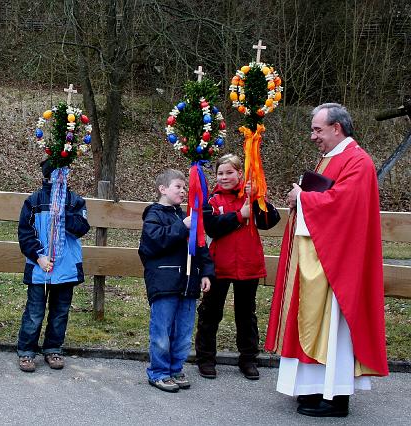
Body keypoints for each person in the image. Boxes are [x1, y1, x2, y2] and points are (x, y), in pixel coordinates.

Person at [265, 103, 389, 417]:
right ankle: (314, 388)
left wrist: (302, 199)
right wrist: (302, 198)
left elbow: (344, 205)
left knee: (335, 328)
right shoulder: (329, 158)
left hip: (339, 263)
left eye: (318, 130)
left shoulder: (357, 161)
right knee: (316, 324)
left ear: (337, 128)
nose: (312, 136)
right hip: (320, 258)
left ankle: (336, 398)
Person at [195, 154, 280, 381]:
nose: (224, 177)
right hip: (218, 266)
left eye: (229, 173)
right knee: (210, 314)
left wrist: (256, 198)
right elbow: (212, 227)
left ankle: (248, 359)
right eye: (220, 173)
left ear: (239, 174)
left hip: (247, 265)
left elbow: (270, 220)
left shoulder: (251, 196)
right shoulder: (211, 200)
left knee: (246, 315)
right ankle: (205, 358)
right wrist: (239, 216)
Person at [139, 169, 214, 392]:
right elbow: (154, 242)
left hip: (188, 283)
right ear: (162, 189)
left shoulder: (186, 215)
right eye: (178, 187)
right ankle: (159, 371)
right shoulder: (154, 215)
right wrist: (183, 227)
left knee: (182, 333)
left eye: (185, 187)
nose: (183, 191)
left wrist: (207, 272)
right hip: (165, 284)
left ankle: (175, 368)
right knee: (162, 331)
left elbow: (201, 245)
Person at [16, 159, 90, 372]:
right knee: (34, 312)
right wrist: (39, 256)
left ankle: (53, 348)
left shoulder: (75, 201)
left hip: (65, 269)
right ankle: (27, 351)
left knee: (60, 312)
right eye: (59, 174)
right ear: (48, 177)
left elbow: (81, 228)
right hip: (41, 268)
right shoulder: (34, 201)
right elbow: (25, 233)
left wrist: (62, 215)